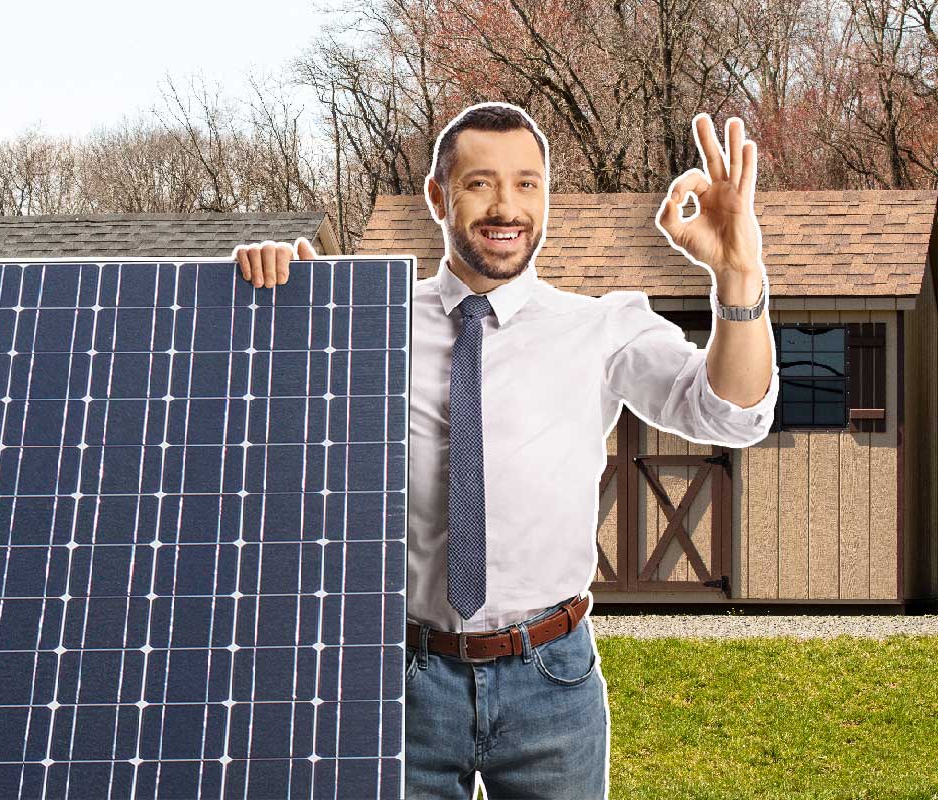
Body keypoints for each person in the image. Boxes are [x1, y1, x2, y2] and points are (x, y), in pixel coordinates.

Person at [232, 102, 779, 800]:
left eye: (527, 184)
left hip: (552, 677)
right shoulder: (366, 322)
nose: (506, 206)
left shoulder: (600, 327)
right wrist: (269, 302)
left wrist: (739, 275)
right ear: (437, 196)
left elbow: (731, 414)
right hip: (400, 678)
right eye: (481, 182)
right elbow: (259, 439)